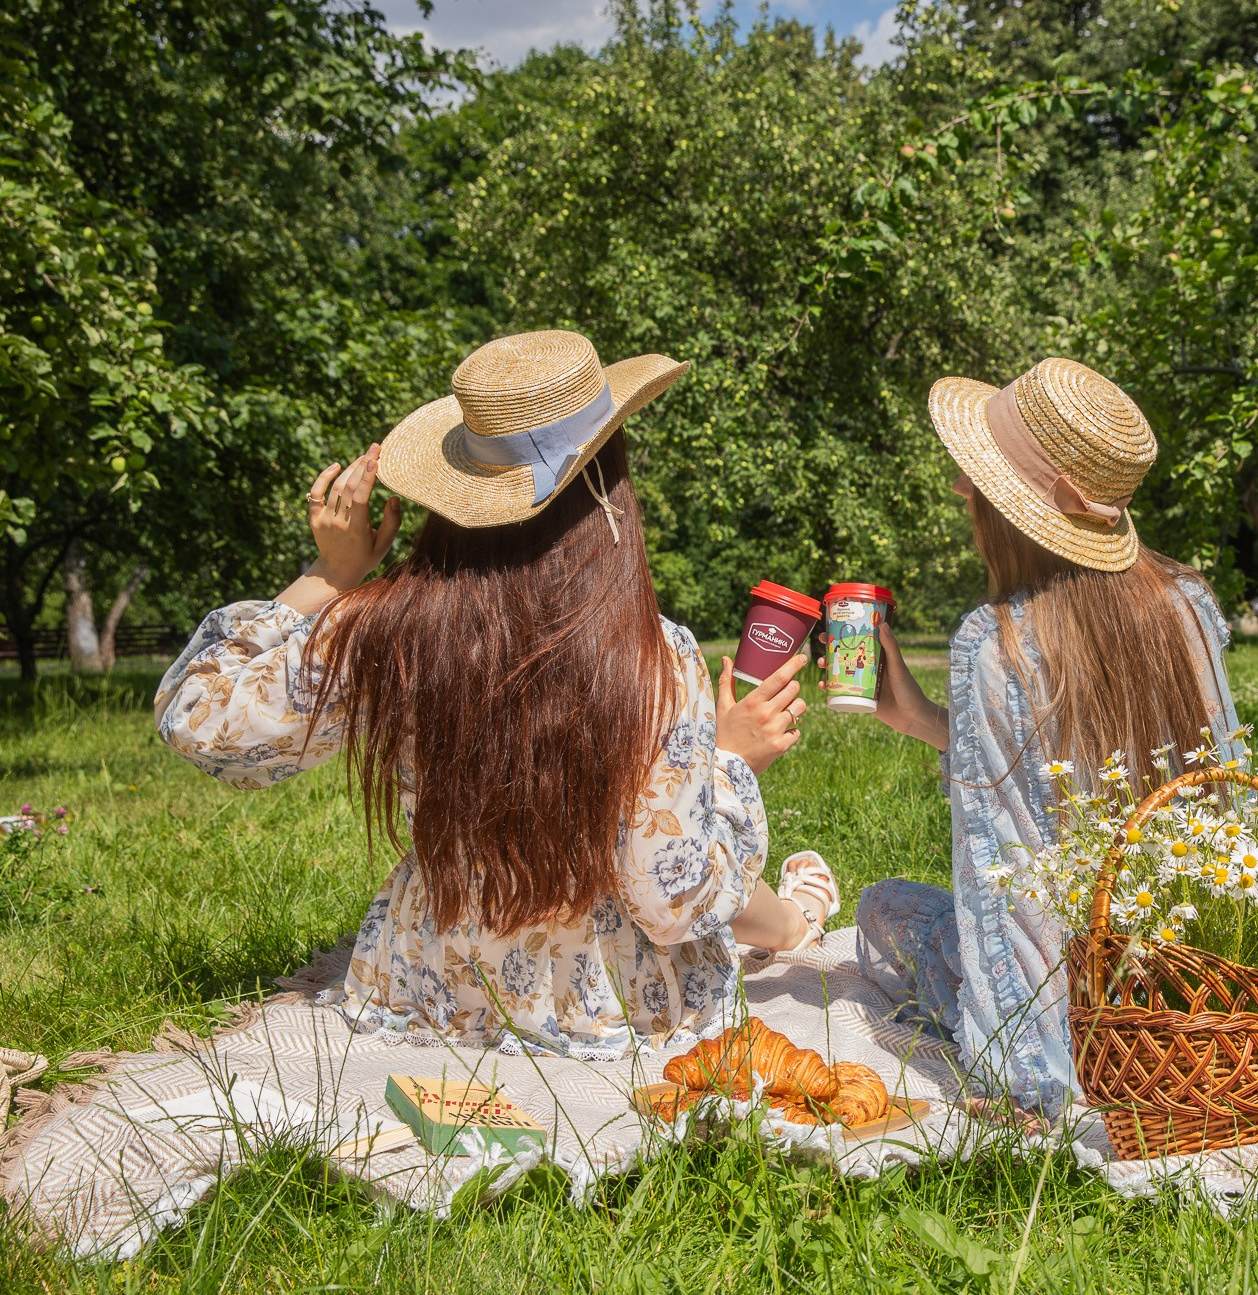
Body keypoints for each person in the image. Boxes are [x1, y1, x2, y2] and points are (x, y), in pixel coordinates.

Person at [155, 331, 840, 1057]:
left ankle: (794, 921)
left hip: (435, 993)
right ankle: (794, 922)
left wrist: (331, 577)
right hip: (608, 1004)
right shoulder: (652, 655)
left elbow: (197, 719)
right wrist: (730, 764)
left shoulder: (382, 630)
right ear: (607, 485)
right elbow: (670, 897)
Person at [851, 358, 1242, 1112]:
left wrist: (1029, 1075)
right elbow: (1219, 800)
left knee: (882, 910)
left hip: (1073, 1015)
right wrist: (928, 722)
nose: (961, 490)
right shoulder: (1188, 603)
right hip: (1193, 980)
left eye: (976, 476)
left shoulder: (992, 644)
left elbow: (1004, 882)